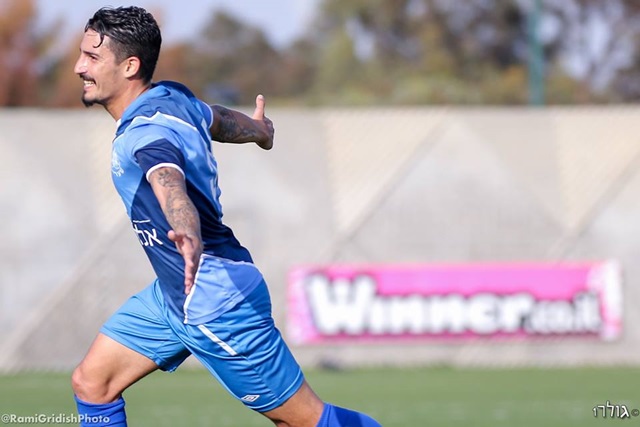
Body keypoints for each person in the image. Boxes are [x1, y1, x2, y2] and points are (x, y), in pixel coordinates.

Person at [70, 6, 381, 427]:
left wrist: (187, 231)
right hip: (171, 296)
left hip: (212, 298)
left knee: (304, 420)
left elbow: (167, 178)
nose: (79, 67)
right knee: (93, 383)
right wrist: (259, 131)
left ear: (129, 66)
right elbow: (216, 118)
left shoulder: (145, 132)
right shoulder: (173, 98)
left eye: (92, 57)